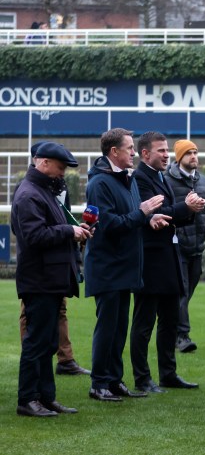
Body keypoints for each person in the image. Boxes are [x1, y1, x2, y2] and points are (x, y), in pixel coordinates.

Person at [85, 128, 168, 402]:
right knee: (107, 328)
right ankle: (99, 384)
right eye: (130, 148)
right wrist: (142, 213)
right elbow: (110, 225)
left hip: (125, 268)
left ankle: (115, 380)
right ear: (114, 152)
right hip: (108, 268)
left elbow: (131, 217)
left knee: (119, 329)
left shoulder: (126, 179)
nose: (134, 153)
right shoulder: (100, 183)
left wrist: (147, 217)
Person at [13, 142, 90, 416]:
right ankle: (28, 400)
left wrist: (72, 228)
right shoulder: (29, 194)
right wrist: (69, 231)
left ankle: (46, 397)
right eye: (59, 168)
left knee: (46, 343)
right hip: (39, 280)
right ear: (43, 163)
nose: (62, 174)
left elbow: (49, 228)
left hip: (48, 279)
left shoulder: (41, 191)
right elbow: (34, 236)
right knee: (36, 343)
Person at [131, 132, 205, 394]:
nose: (166, 155)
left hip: (169, 258)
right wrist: (185, 207)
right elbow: (154, 215)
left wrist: (189, 209)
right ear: (145, 154)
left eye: (166, 150)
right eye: (160, 150)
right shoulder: (140, 179)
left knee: (170, 321)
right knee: (144, 323)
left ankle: (168, 374)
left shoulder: (159, 177)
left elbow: (170, 216)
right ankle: (142, 379)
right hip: (151, 260)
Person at [166, 139, 205, 354]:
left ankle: (171, 329)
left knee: (186, 294)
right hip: (176, 246)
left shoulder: (204, 183)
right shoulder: (167, 181)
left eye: (195, 152)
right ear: (180, 157)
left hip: (197, 248)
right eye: (189, 153)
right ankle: (182, 336)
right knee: (181, 291)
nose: (193, 156)